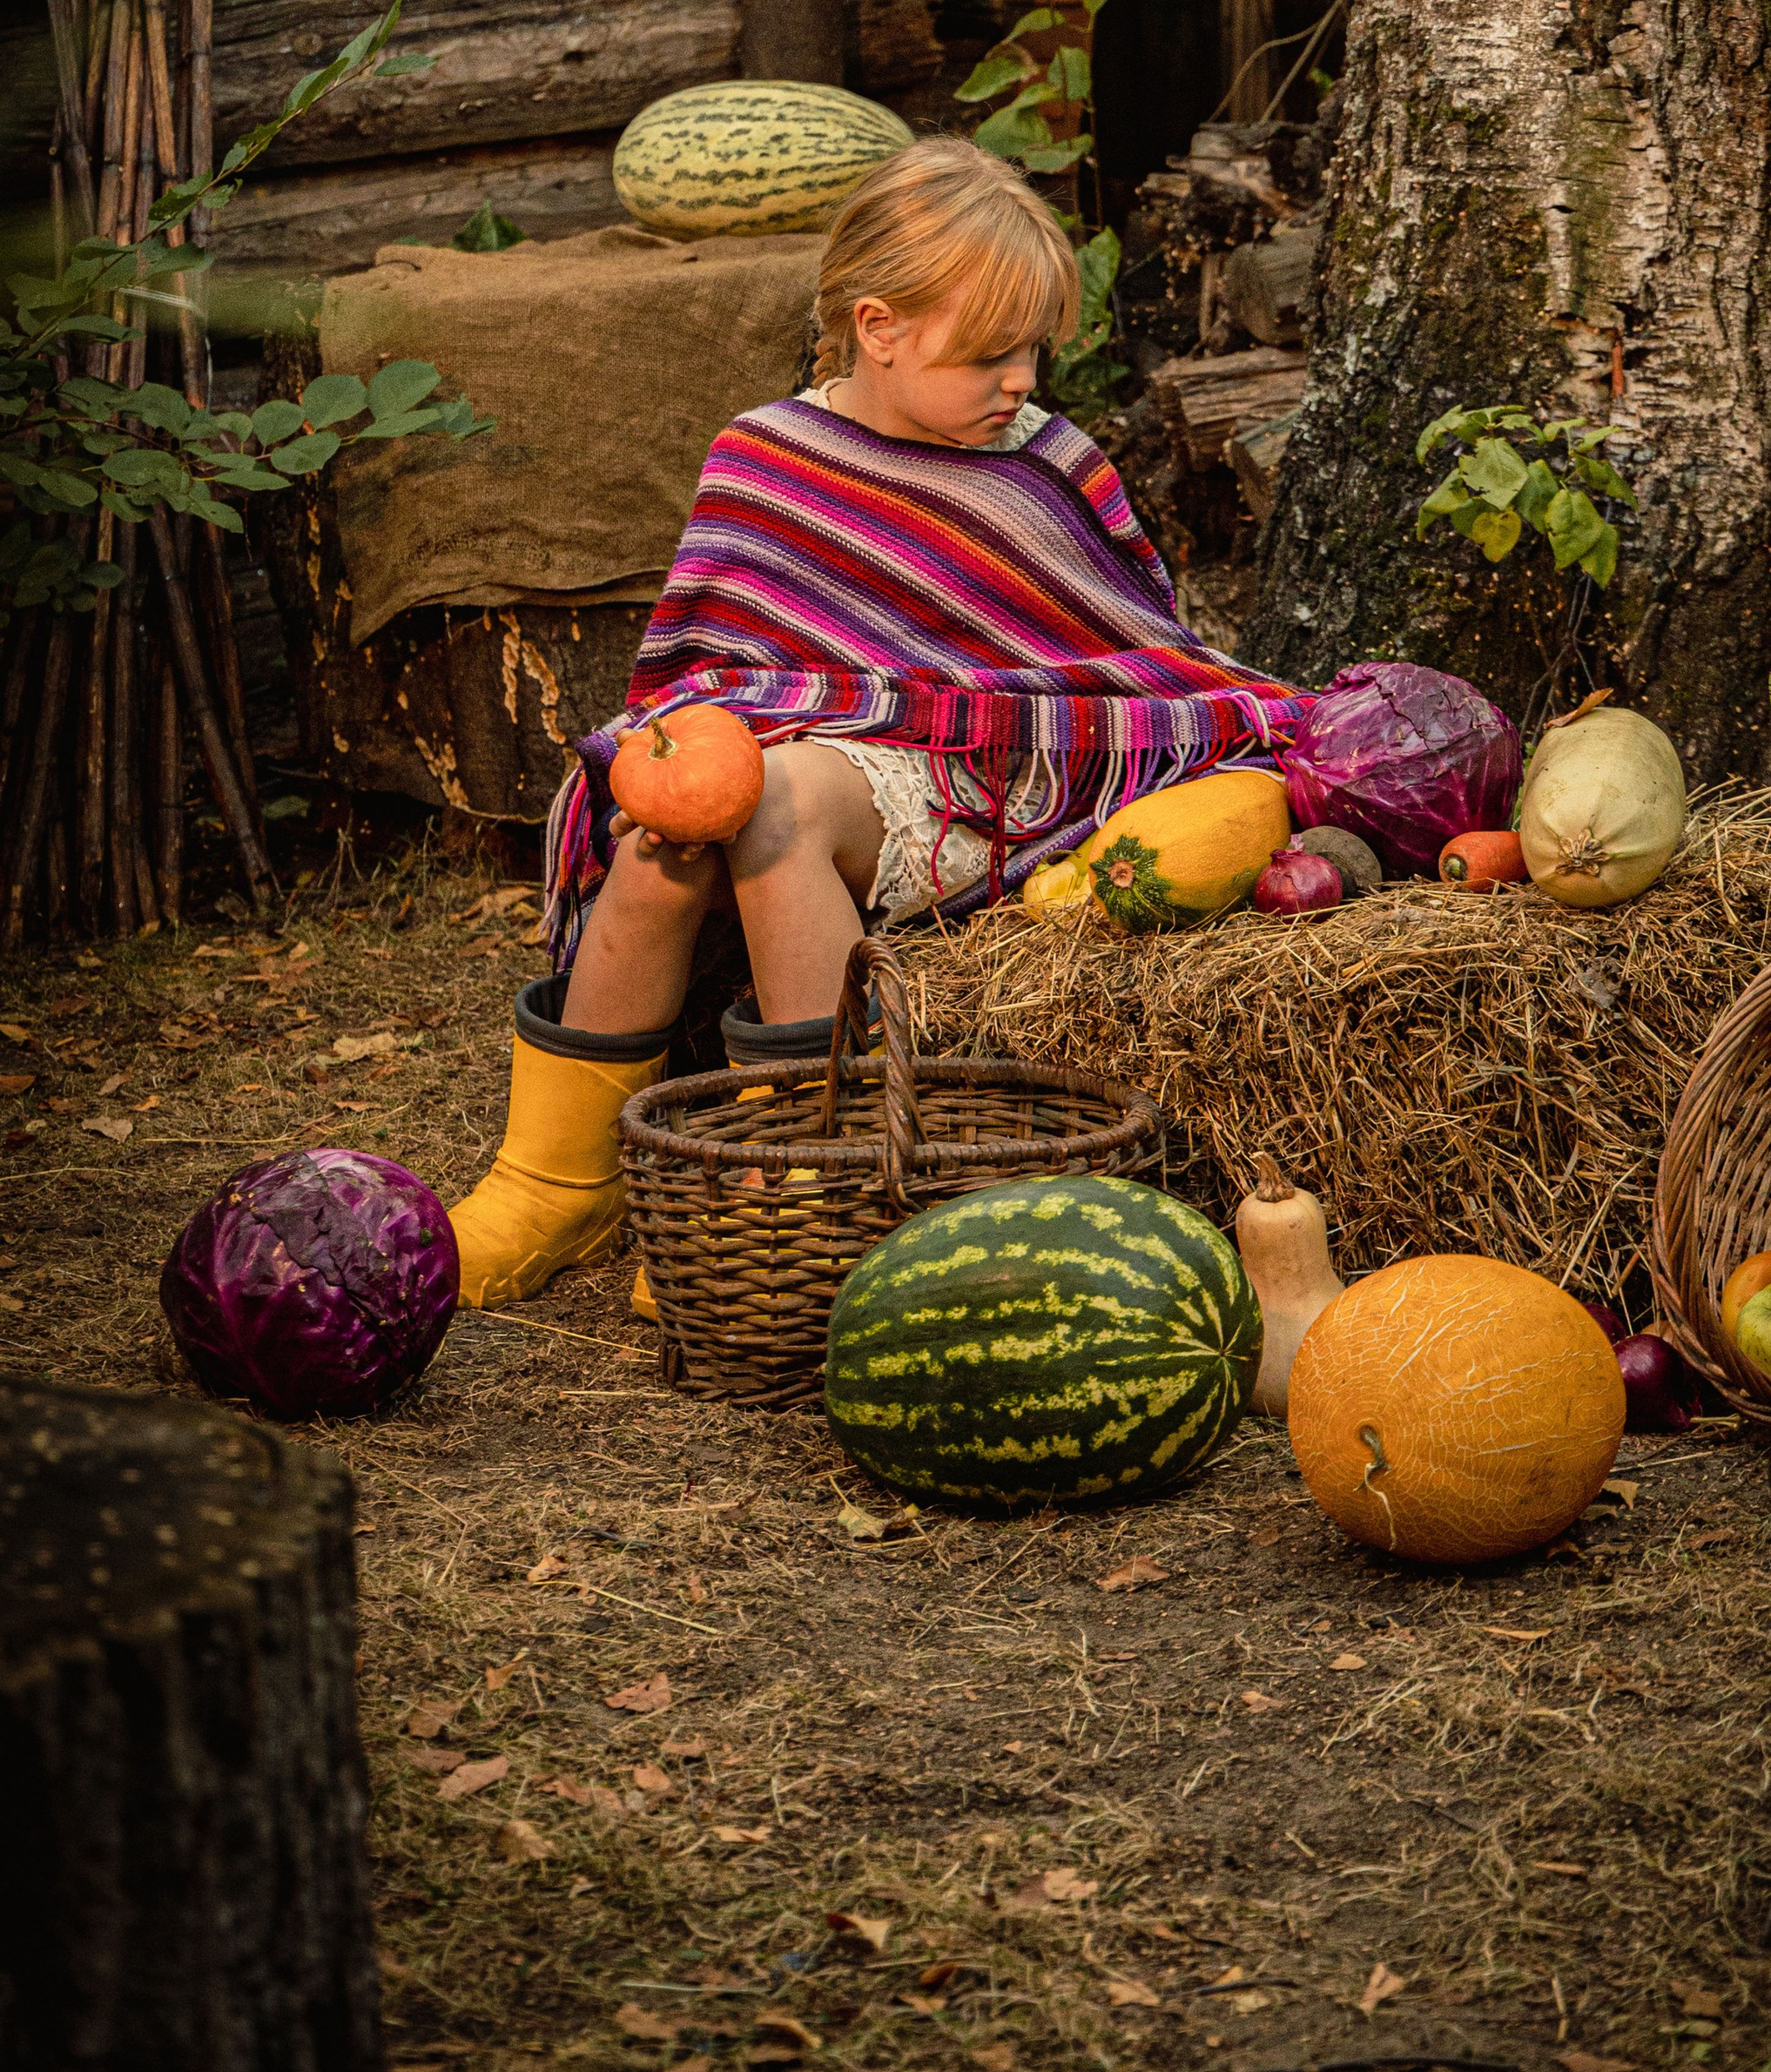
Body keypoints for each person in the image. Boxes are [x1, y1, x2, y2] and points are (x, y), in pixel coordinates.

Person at [446, 136, 1300, 1305]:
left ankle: (804, 1173)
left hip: (983, 786)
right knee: (662, 834)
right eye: (989, 356)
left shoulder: (1046, 461)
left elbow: (1118, 668)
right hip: (807, 748)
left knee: (776, 806)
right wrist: (702, 751)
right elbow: (714, 667)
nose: (1021, 384)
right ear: (878, 326)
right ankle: (559, 1183)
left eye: (1035, 353)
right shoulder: (766, 456)